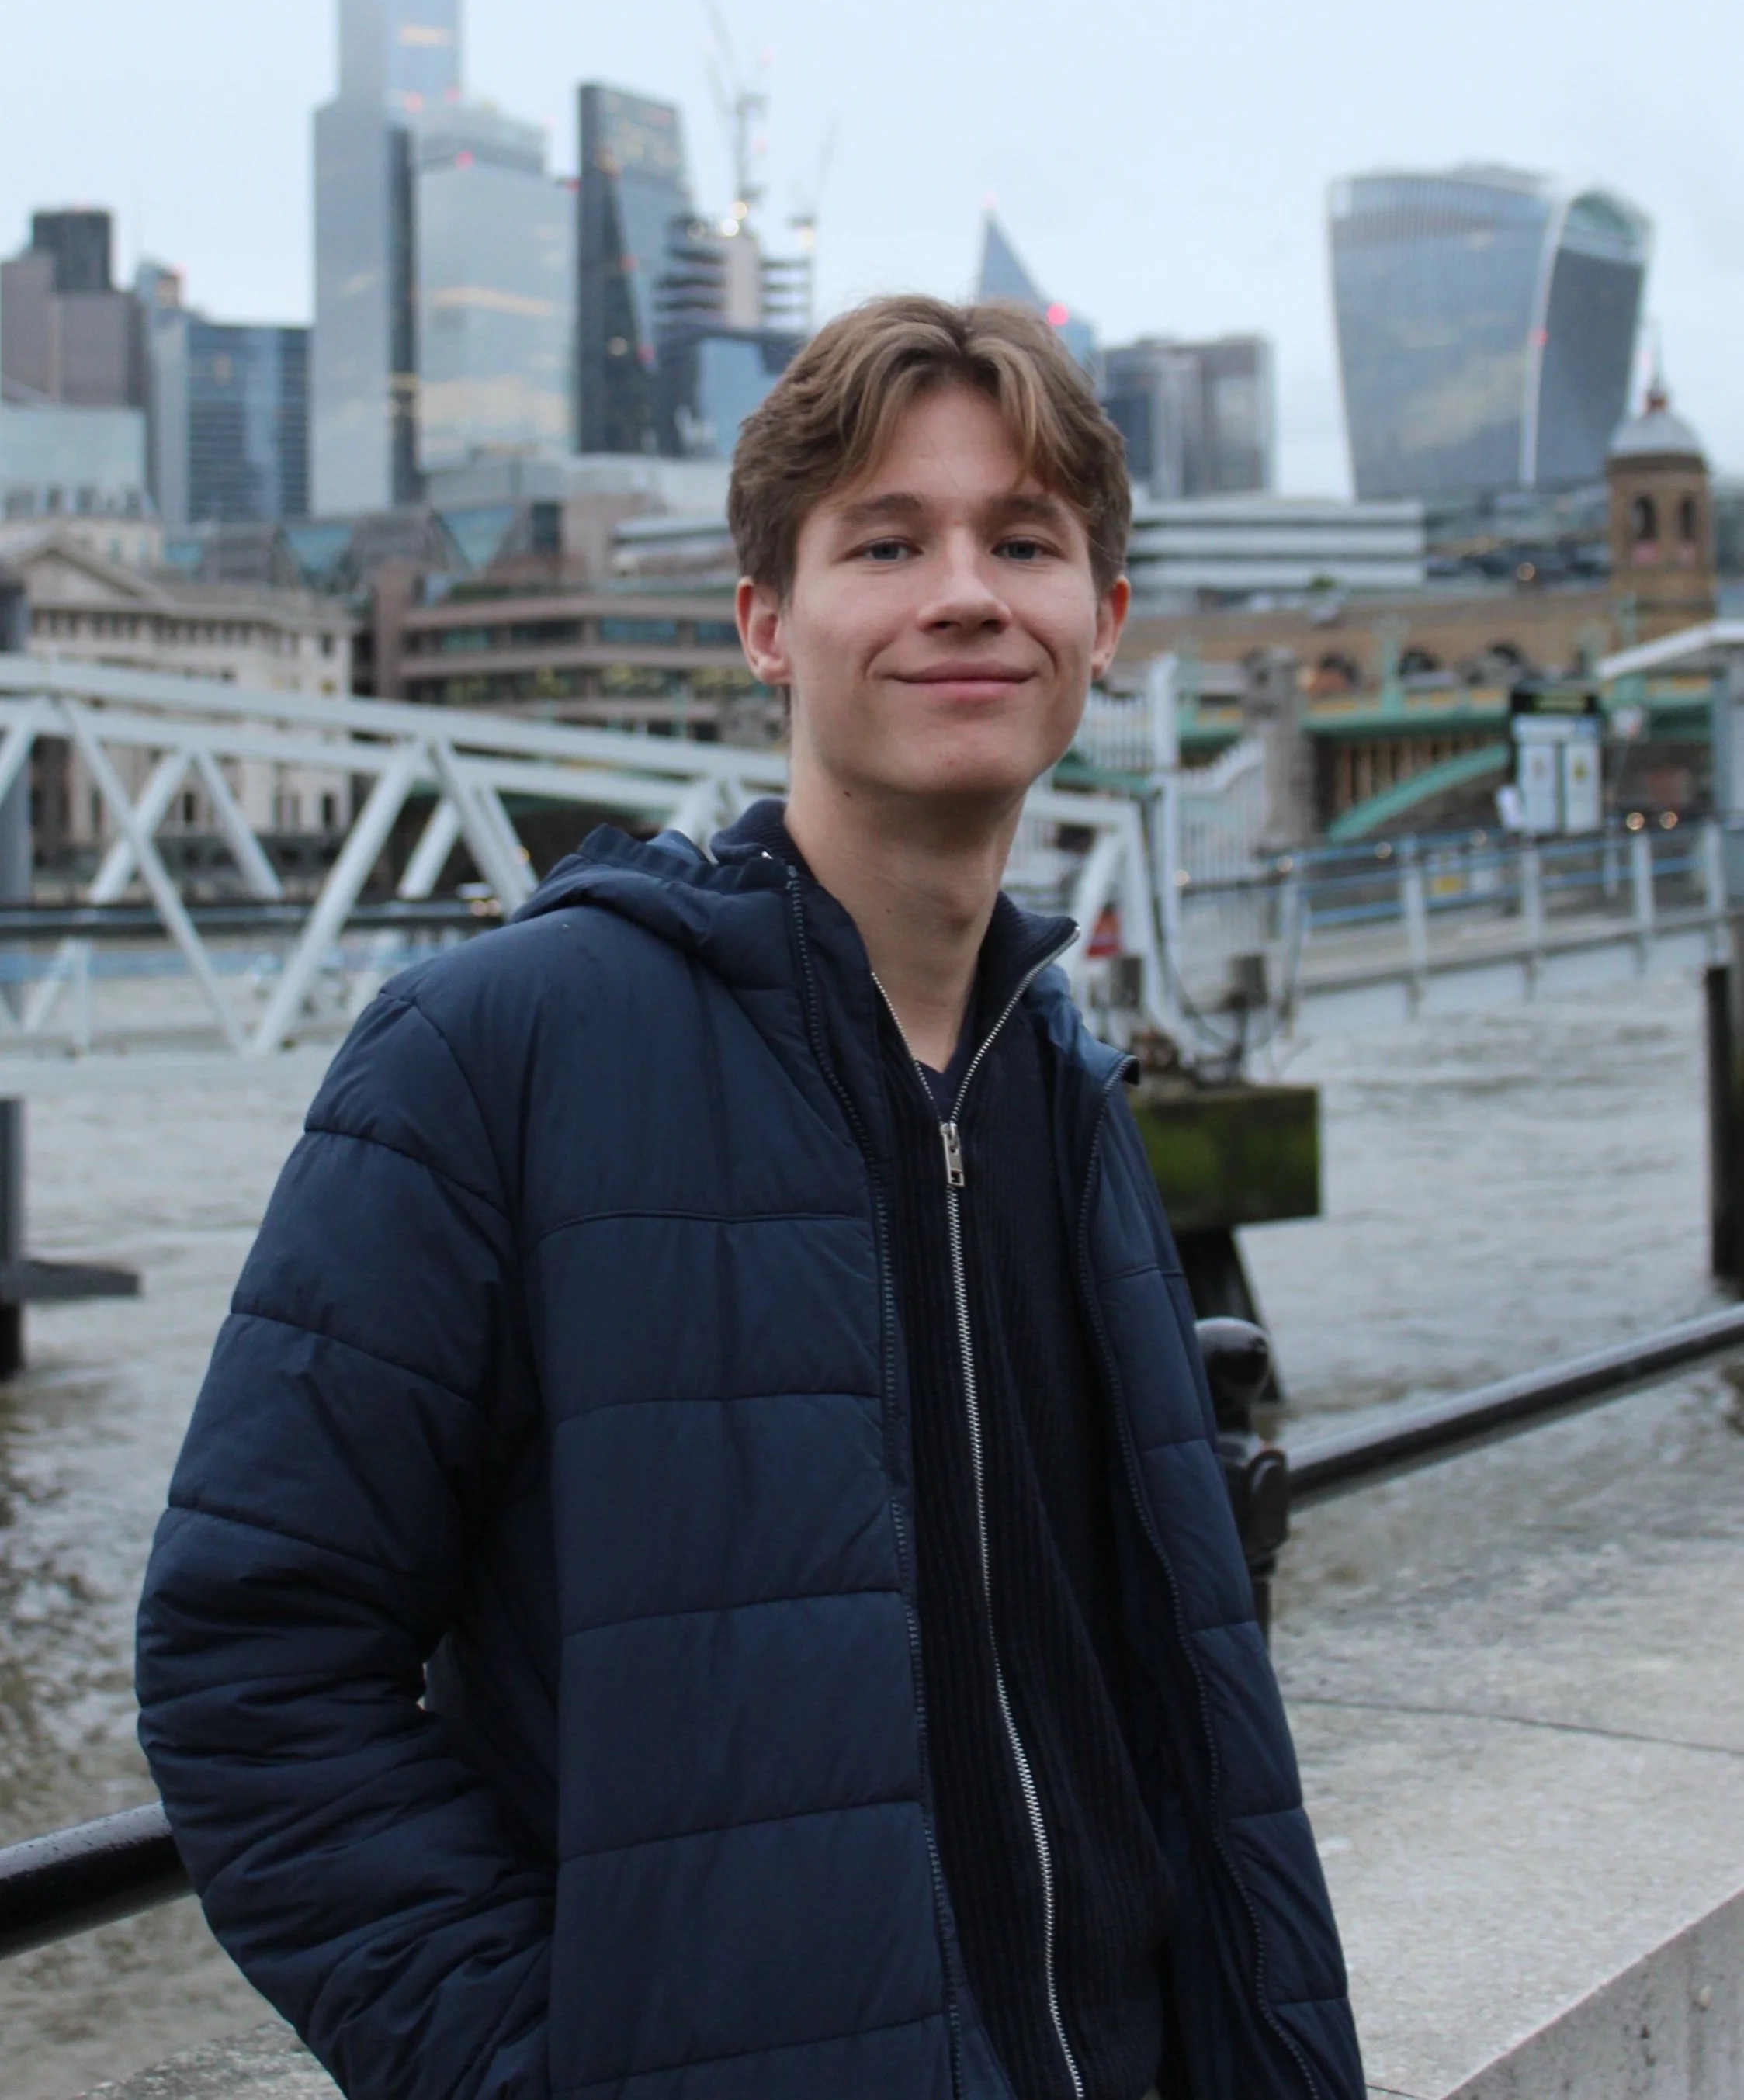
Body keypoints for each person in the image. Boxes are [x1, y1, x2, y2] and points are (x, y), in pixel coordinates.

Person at [137, 296, 1362, 2100]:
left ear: (1098, 623)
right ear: (767, 626)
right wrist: (539, 2060)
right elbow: (255, 1663)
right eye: (886, 540)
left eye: (1022, 540)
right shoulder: (499, 1048)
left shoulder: (1066, 1083)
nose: (962, 589)